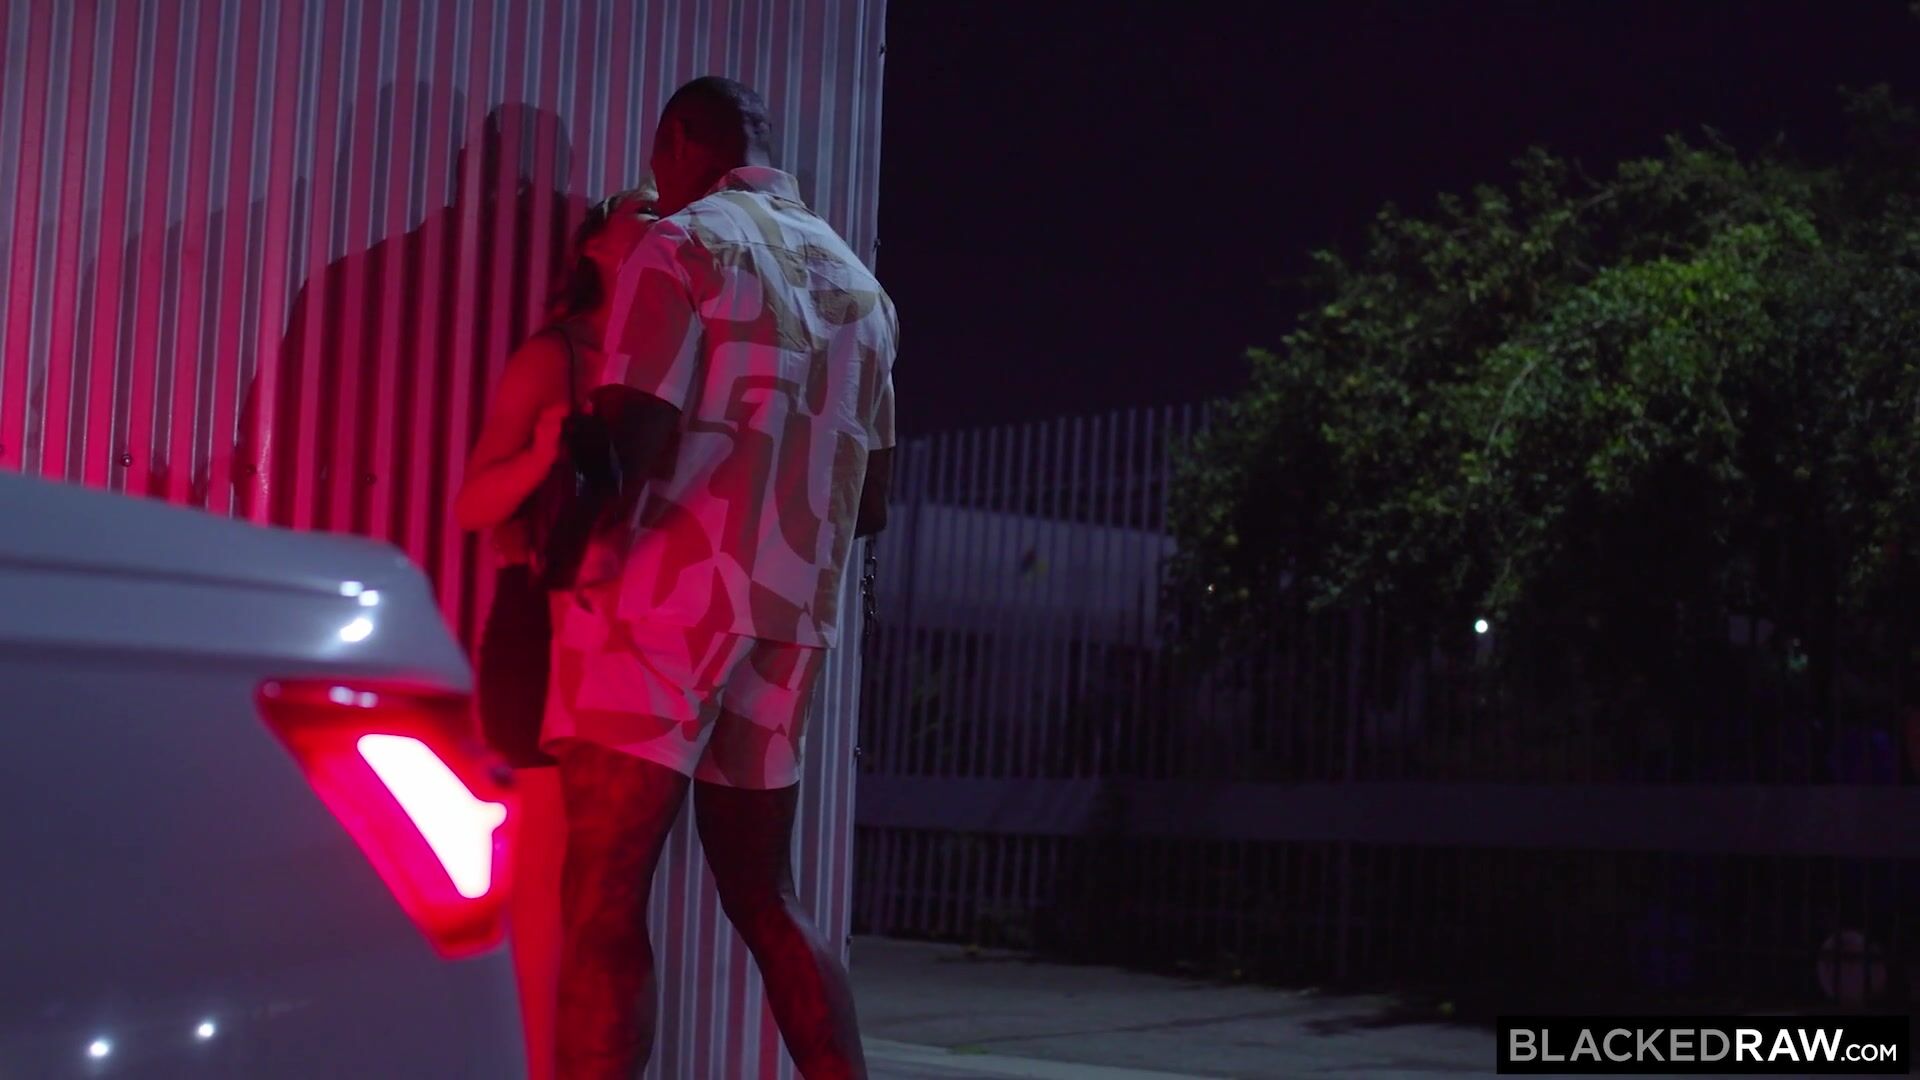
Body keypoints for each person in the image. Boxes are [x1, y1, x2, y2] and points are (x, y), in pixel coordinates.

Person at [543, 76, 896, 1079]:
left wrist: (566, 541)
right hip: (787, 616)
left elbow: (635, 442)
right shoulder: (862, 291)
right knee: (765, 894)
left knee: (604, 896)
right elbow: (871, 502)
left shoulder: (684, 243)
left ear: (679, 138)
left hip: (668, 602)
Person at [453, 181, 661, 1080]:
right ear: (598, 245)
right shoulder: (557, 356)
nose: (663, 224)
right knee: (542, 882)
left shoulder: (669, 359)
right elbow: (472, 505)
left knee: (605, 891)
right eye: (643, 212)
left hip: (633, 635)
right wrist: (544, 451)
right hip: (540, 634)